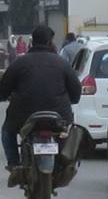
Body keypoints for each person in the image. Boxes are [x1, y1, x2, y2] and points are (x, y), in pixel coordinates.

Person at [0, 25, 82, 185]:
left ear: (33, 41)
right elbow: (76, 92)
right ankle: (65, 162)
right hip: (59, 115)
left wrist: (6, 96)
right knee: (68, 133)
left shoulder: (19, 63)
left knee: (7, 132)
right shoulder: (62, 63)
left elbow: (3, 89)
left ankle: (14, 164)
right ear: (50, 42)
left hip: (23, 116)